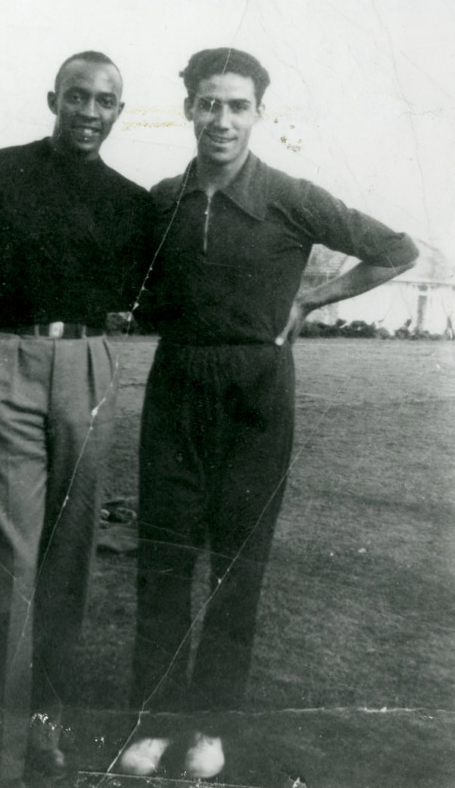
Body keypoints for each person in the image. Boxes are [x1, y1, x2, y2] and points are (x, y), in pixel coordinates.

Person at [118, 47, 419, 780]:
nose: (222, 119)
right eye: (209, 103)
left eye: (238, 105)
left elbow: (396, 249)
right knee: (163, 561)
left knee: (236, 567)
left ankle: (211, 727)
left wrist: (311, 298)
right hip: (178, 386)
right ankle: (153, 724)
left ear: (259, 113)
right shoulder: (162, 197)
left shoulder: (290, 194)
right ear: (188, 106)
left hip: (258, 393)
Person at [0, 51, 152, 787]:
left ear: (120, 111)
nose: (89, 111)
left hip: (89, 367)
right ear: (52, 98)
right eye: (77, 96)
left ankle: (44, 740)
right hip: (10, 364)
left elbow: (150, 289)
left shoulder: (129, 201)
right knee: (7, 566)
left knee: (68, 567)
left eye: (105, 101)